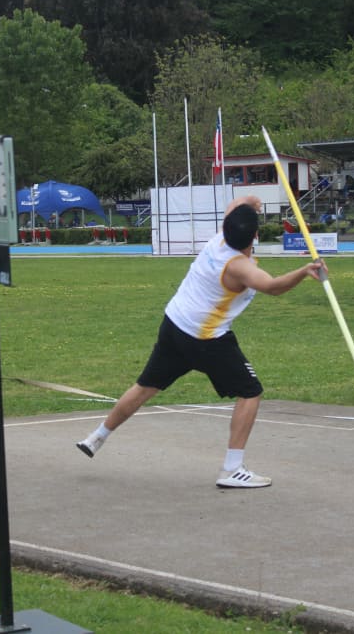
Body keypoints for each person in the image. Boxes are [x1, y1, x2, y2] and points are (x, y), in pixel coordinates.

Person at [76, 195, 325, 488]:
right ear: (255, 236)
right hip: (205, 339)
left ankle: (97, 437)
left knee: (145, 387)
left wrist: (250, 201)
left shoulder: (221, 237)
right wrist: (305, 271)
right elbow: (272, 287)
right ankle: (232, 470)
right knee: (250, 391)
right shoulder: (238, 266)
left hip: (174, 324)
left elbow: (235, 206)